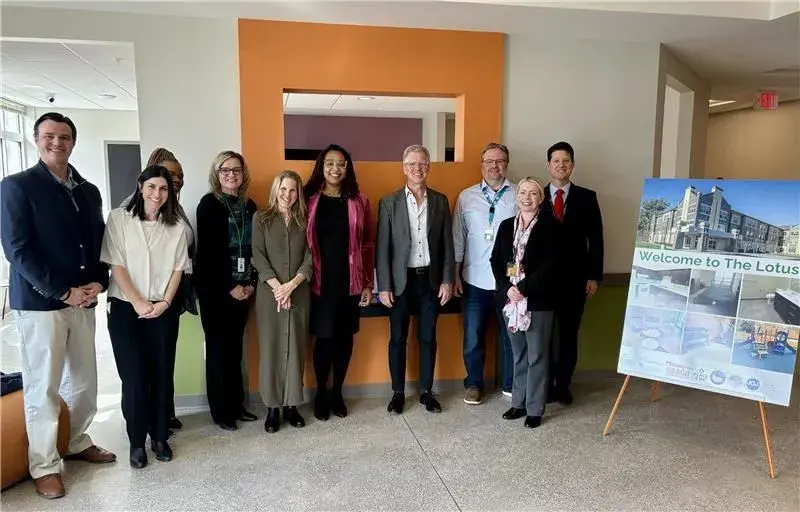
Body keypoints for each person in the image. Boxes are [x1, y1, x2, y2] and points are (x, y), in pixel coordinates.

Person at [0, 112, 116, 499]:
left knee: (85, 380)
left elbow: (100, 242)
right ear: (36, 140)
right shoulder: (17, 187)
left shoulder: (87, 190)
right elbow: (18, 252)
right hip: (41, 304)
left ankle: (77, 441)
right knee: (43, 386)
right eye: (49, 136)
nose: (57, 143)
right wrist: (63, 292)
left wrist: (99, 280)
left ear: (73, 142)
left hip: (84, 299)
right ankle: (45, 464)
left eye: (64, 137)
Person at [101, 165, 189, 468]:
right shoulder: (119, 219)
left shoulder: (176, 226)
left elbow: (179, 268)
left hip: (163, 308)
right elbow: (117, 265)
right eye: (152, 187)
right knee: (135, 378)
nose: (157, 194)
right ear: (140, 186)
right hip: (126, 308)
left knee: (162, 374)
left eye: (163, 189)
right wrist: (138, 302)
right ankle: (136, 442)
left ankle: (160, 436)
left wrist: (165, 302)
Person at [376, 145, 454, 415]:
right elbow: (382, 248)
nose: (417, 169)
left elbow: (447, 245)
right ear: (403, 168)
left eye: (422, 164)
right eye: (411, 164)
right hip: (400, 282)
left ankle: (426, 392)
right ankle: (398, 392)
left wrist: (447, 280)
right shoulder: (389, 203)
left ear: (429, 166)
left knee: (428, 338)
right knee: (397, 338)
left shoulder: (441, 201)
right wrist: (383, 285)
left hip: (430, 281)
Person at [304, 144, 374, 421]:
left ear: (348, 168)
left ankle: (337, 392)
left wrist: (367, 282)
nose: (336, 168)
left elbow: (368, 243)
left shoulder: (359, 201)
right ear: (322, 166)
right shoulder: (309, 199)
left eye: (341, 163)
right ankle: (321, 392)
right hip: (319, 281)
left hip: (350, 282)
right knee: (324, 339)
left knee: (344, 339)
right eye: (330, 163)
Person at [195, 151, 258, 431]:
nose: (231, 174)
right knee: (219, 351)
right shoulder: (209, 204)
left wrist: (250, 284)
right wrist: (230, 287)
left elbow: (256, 248)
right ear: (216, 174)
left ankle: (237, 405)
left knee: (235, 352)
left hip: (245, 288)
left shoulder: (250, 205)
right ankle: (221, 412)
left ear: (243, 174)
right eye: (225, 170)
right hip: (217, 292)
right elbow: (208, 255)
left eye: (236, 169)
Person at [490, 178, 559, 428]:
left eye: (533, 193)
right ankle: (517, 403)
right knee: (519, 354)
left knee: (537, 356)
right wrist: (508, 289)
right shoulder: (507, 226)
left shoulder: (551, 227)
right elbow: (495, 261)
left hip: (538, 301)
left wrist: (523, 288)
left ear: (541, 198)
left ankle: (535, 409)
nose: (527, 197)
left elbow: (550, 266)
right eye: (522, 192)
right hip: (511, 302)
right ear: (516, 196)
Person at [453, 142, 517, 405]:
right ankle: (473, 384)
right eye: (489, 161)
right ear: (481, 165)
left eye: (500, 160)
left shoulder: (519, 194)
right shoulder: (466, 197)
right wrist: (454, 274)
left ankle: (512, 384)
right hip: (474, 279)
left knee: (510, 337)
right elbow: (458, 238)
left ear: (507, 164)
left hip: (508, 282)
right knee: (473, 337)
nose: (494, 165)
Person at [542, 141, 604, 405]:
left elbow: (596, 239)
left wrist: (594, 276)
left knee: (568, 335)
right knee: (542, 337)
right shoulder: (535, 194)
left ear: (573, 165)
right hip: (541, 282)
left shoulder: (587, 197)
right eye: (556, 161)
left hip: (575, 280)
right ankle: (542, 386)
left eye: (566, 161)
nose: (561, 165)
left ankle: (563, 385)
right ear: (548, 165)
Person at [140, 148, 196, 432]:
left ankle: (165, 412)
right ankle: (151, 420)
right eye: (170, 174)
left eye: (180, 175)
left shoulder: (176, 208)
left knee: (165, 359)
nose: (176, 179)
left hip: (170, 297)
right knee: (149, 363)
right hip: (147, 299)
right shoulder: (137, 208)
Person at [252, 170, 312, 433]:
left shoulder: (305, 220)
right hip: (269, 294)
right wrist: (278, 289)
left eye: (293, 190)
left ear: (298, 193)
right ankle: (273, 408)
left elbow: (311, 258)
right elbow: (257, 255)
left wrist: (291, 286)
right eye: (283, 189)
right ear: (276, 189)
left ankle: (291, 405)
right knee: (272, 348)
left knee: (296, 348)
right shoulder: (261, 218)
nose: (287, 195)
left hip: (298, 292)